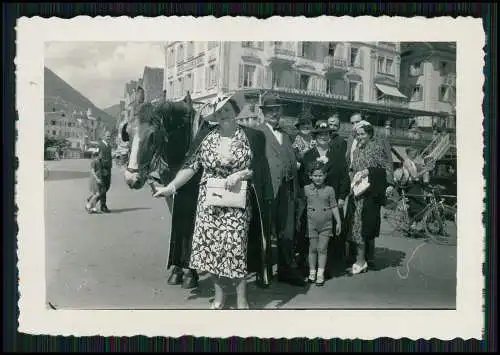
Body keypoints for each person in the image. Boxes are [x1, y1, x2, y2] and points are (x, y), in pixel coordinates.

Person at [153, 91, 273, 309]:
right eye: (219, 112)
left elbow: (259, 168)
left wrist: (241, 174)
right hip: (209, 203)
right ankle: (219, 296)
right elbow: (191, 166)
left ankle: (241, 297)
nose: (223, 115)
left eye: (227, 110)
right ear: (214, 117)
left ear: (235, 111)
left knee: (235, 249)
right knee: (210, 250)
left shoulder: (252, 136)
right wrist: (171, 187)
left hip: (237, 203)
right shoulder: (206, 137)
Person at [256, 93, 305, 287]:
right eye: (270, 110)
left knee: (287, 232)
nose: (274, 114)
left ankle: (286, 270)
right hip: (267, 190)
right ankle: (263, 271)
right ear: (264, 113)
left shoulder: (286, 135)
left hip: (287, 189)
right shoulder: (257, 133)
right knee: (265, 232)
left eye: (277, 110)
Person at [297, 120, 350, 277]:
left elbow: (344, 178)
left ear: (330, 136)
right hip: (313, 203)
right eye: (320, 134)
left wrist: (341, 197)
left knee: (331, 235)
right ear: (315, 136)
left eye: (326, 134)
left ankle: (327, 268)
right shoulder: (308, 155)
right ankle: (310, 267)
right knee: (310, 235)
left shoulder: (338, 155)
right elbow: (302, 180)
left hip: (331, 203)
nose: (324, 137)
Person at [347, 122, 394, 274]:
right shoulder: (357, 150)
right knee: (357, 226)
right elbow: (353, 168)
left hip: (370, 193)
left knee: (364, 227)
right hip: (357, 192)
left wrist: (368, 171)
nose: (359, 137)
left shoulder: (377, 148)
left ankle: (362, 260)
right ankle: (361, 259)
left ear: (370, 134)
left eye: (362, 134)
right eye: (357, 134)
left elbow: (384, 169)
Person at [303, 161, 342, 286]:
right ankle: (312, 272)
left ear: (325, 175)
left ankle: (320, 273)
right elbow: (300, 207)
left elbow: (334, 206)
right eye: (315, 175)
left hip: (326, 225)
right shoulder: (306, 189)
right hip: (311, 224)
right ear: (310, 176)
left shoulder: (330, 190)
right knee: (313, 248)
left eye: (320, 175)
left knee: (322, 248)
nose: (318, 178)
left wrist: (339, 222)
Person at [97, 131, 113, 213]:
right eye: (107, 136)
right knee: (103, 189)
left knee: (107, 187)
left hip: (108, 169)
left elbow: (110, 157)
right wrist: (99, 171)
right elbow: (98, 159)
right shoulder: (100, 145)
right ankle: (103, 206)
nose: (109, 138)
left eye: (109, 136)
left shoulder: (109, 146)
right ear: (104, 136)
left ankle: (94, 199)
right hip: (102, 169)